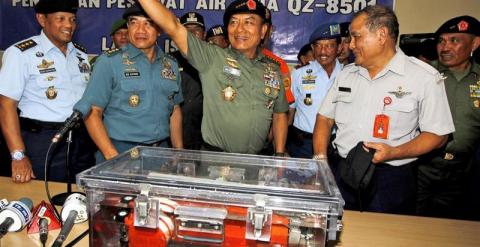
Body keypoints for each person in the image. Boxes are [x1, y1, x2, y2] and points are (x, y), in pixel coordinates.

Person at [312, 5, 455, 214]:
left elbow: (438, 135)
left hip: (392, 179)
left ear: (381, 35)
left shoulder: (423, 77)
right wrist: (321, 163)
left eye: (356, 37)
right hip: (343, 172)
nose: (350, 45)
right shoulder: (347, 74)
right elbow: (324, 118)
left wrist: (394, 152)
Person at [137, 0, 289, 155]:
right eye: (233, 22)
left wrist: (279, 153)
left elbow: (280, 114)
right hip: (217, 162)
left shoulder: (272, 70)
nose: (239, 29)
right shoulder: (212, 58)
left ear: (263, 30)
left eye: (249, 22)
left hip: (256, 162)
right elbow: (173, 27)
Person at [74, 3, 183, 163]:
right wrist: (111, 156)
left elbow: (175, 109)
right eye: (134, 22)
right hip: (119, 152)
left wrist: (179, 152)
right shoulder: (109, 62)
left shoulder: (171, 65)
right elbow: (92, 113)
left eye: (148, 23)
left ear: (159, 30)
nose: (140, 30)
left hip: (161, 154)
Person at [0, 0, 95, 183]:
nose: (69, 25)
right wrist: (18, 156)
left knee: (79, 198)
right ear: (42, 19)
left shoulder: (80, 55)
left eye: (72, 19)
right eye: (61, 18)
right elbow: (6, 106)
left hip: (80, 141)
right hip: (42, 142)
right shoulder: (21, 54)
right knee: (42, 202)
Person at [417, 16, 480, 219]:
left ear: (475, 43)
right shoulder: (424, 74)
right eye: (441, 41)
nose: (445, 47)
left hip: (463, 173)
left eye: (454, 40)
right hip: (421, 168)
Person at [288, 23, 343, 158]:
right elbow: (288, 111)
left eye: (329, 45)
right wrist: (283, 145)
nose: (323, 51)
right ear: (312, 48)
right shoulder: (299, 75)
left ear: (339, 48)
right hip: (302, 144)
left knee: (331, 179)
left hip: (336, 144)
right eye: (318, 46)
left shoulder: (348, 75)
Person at [171, 12, 205, 150]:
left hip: (205, 141)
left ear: (204, 34)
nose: (191, 34)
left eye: (196, 30)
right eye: (186, 30)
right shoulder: (168, 61)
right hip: (172, 139)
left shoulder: (215, 62)